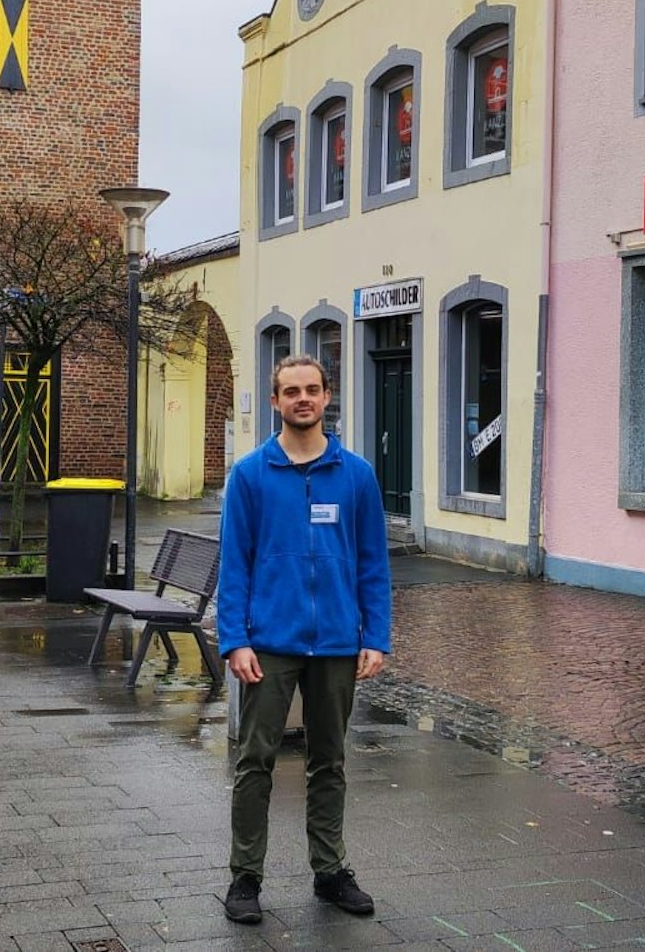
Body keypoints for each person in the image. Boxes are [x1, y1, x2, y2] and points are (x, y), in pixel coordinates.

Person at [216, 354, 391, 925]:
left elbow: (373, 563)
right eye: (291, 391)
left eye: (312, 389)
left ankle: (330, 870)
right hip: (269, 642)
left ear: (326, 395)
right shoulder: (250, 474)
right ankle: (245, 876)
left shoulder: (356, 474)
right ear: (275, 401)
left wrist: (376, 636)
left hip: (338, 642)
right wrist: (234, 641)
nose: (303, 399)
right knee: (255, 760)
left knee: (330, 761)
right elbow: (235, 565)